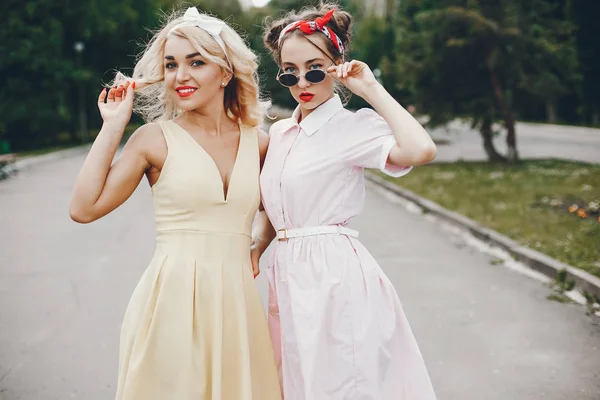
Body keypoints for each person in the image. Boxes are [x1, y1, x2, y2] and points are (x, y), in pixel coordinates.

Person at [69, 7, 281, 400]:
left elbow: (281, 207)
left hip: (238, 310)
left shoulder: (262, 143)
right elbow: (83, 208)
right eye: (171, 64)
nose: (180, 76)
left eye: (196, 62)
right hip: (171, 304)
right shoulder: (153, 139)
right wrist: (113, 125)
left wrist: (258, 243)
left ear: (226, 71)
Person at [254, 4, 438, 399]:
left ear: (338, 65)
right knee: (297, 383)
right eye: (290, 70)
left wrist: (370, 89)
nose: (302, 80)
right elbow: (278, 207)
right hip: (287, 275)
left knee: (343, 383)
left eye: (315, 68)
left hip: (333, 276)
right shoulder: (282, 133)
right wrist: (256, 247)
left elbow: (421, 149)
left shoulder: (353, 128)